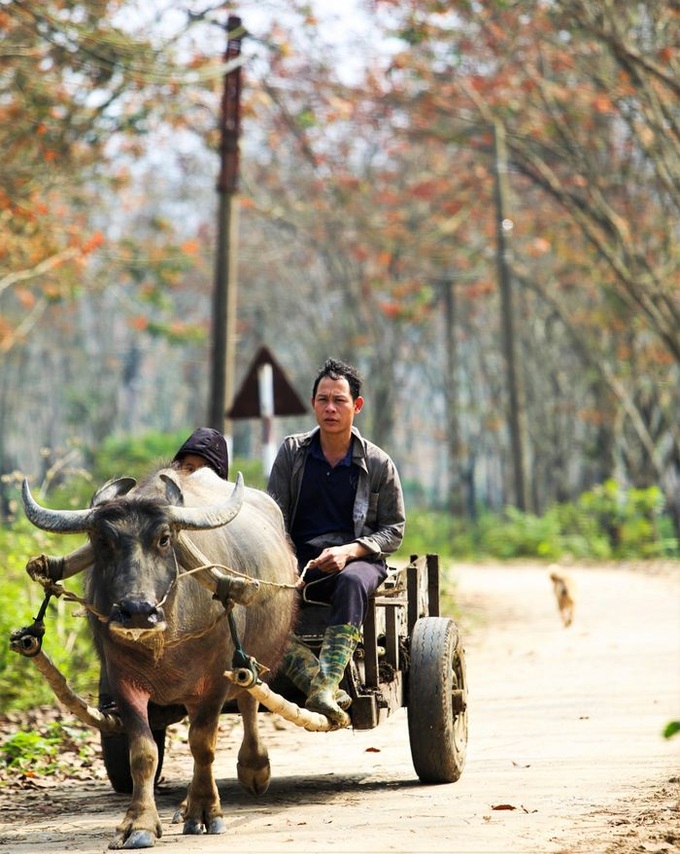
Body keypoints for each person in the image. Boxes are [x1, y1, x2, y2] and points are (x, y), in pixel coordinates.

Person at [267, 358, 405, 726]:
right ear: (313, 403)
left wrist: (350, 551)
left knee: (351, 581)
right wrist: (287, 558)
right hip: (299, 562)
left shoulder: (378, 463)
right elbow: (272, 519)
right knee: (256, 606)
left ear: (356, 406)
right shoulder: (292, 454)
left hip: (358, 559)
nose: (330, 408)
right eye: (323, 399)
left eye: (339, 400)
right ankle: (322, 688)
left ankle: (326, 684)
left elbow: (394, 529)